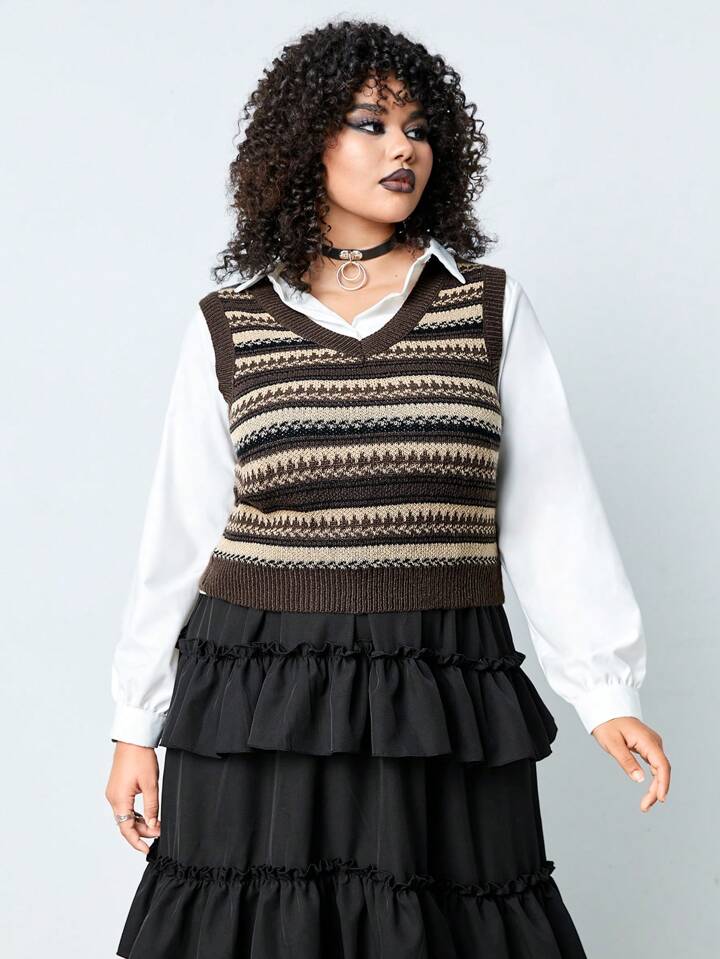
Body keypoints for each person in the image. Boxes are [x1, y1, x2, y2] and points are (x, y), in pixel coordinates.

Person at [106, 18, 671, 958]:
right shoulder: (231, 323)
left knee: (446, 929)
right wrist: (135, 722)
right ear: (305, 142)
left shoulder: (485, 307)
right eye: (370, 123)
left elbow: (550, 514)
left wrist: (608, 690)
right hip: (259, 690)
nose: (402, 148)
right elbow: (181, 534)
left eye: (418, 129)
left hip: (438, 682)